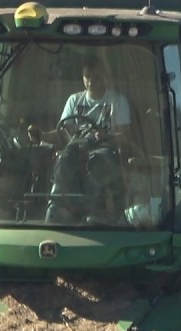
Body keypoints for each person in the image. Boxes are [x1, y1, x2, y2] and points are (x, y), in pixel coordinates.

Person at [42, 59, 132, 223]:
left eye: (96, 77)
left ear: (105, 77)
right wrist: (41, 136)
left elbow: (125, 137)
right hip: (76, 148)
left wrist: (106, 136)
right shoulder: (74, 100)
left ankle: (91, 211)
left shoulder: (118, 101)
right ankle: (56, 208)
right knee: (64, 159)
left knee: (97, 163)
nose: (91, 82)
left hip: (105, 149)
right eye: (87, 77)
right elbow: (62, 131)